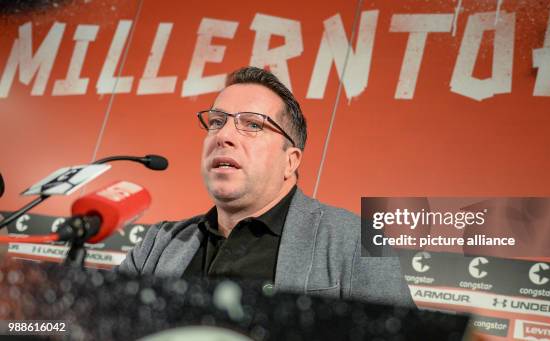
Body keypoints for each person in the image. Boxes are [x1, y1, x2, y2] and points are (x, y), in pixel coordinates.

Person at [118, 67, 412, 306]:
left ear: (291, 161)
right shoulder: (159, 243)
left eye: (254, 125)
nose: (224, 136)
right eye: (217, 121)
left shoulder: (355, 242)